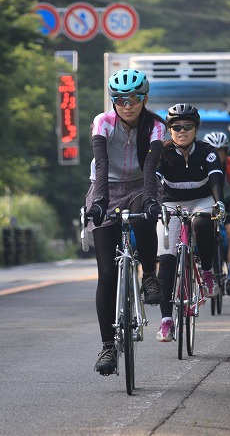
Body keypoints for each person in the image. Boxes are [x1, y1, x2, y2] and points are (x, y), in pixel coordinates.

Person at [86, 68, 167, 375]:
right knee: (106, 273)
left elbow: (150, 167)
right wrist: (99, 204)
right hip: (104, 188)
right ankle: (108, 347)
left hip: (139, 186)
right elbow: (102, 163)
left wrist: (151, 200)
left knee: (144, 217)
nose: (127, 105)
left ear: (143, 99)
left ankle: (149, 275)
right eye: (120, 99)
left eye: (133, 99)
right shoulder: (103, 122)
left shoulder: (156, 125)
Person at [154, 103, 225, 342]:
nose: (181, 131)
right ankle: (166, 322)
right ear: (169, 129)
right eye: (176, 127)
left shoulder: (208, 151)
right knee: (166, 260)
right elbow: (154, 181)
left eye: (188, 126)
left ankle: (206, 271)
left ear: (196, 128)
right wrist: (152, 203)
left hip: (201, 200)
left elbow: (216, 178)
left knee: (203, 224)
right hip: (171, 203)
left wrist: (219, 203)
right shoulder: (162, 152)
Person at [202, 131, 230, 296]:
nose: (217, 154)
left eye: (221, 150)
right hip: (208, 201)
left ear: (226, 151)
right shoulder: (202, 163)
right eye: (213, 150)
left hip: (228, 201)